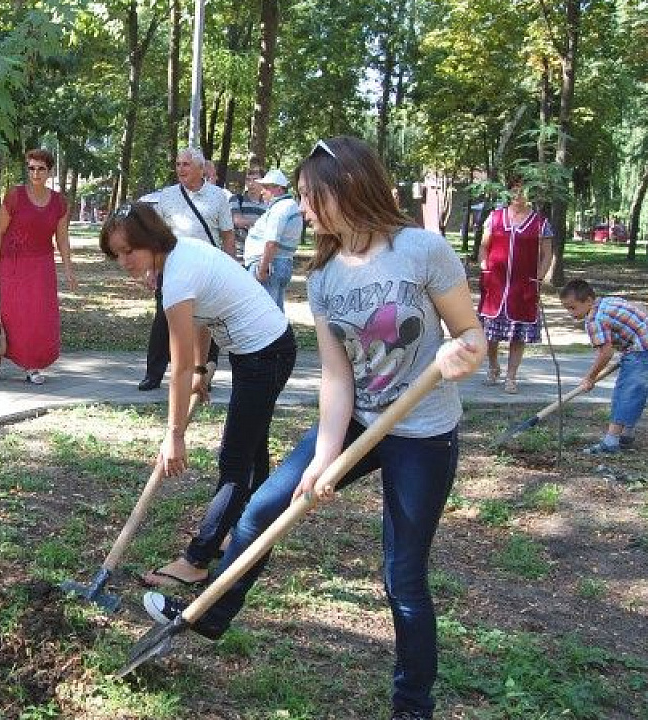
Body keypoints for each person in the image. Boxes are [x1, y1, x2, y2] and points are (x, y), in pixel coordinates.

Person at [143, 136, 484, 720]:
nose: (302, 209)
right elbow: (337, 379)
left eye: (308, 196)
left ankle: (412, 706)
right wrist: (325, 457)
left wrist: (464, 353)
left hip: (423, 433)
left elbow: (472, 334)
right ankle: (209, 614)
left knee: (402, 576)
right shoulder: (324, 278)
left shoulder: (422, 250)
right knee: (263, 509)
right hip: (357, 419)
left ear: (346, 187)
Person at [100, 203, 297, 589]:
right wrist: (205, 370)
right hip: (257, 352)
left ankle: (197, 559)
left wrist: (174, 434)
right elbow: (203, 317)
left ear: (151, 241)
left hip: (264, 354)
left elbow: (180, 364)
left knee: (235, 461)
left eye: (129, 251)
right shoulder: (176, 261)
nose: (124, 261)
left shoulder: (176, 277)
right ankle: (243, 532)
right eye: (117, 254)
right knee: (251, 456)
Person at [137, 147, 237, 391]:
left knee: (208, 320)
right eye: (178, 164)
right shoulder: (168, 196)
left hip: (209, 269)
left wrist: (231, 269)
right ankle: (154, 374)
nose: (180, 169)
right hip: (173, 268)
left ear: (201, 169)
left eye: (186, 165)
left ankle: (202, 374)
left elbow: (228, 236)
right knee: (164, 319)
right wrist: (152, 270)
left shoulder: (218, 197)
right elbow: (156, 237)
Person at [0, 148, 78, 384]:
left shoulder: (58, 202)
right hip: (12, 263)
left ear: (49, 172)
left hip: (41, 266)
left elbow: (62, 238)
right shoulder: (15, 195)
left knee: (37, 316)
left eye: (41, 169)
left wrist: (68, 269)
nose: (35, 173)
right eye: (31, 168)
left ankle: (32, 364)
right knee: (7, 312)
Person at [558, 279, 648, 455]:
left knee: (626, 392)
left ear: (589, 301)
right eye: (567, 308)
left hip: (642, 350)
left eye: (573, 307)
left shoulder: (594, 319)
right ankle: (626, 435)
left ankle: (611, 442)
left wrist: (590, 377)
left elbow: (605, 353)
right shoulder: (606, 301)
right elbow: (638, 305)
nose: (570, 313)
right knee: (635, 392)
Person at [477, 174, 552, 394]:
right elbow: (484, 246)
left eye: (523, 190)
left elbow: (547, 254)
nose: (518, 195)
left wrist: (538, 277)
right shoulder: (495, 217)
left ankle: (511, 376)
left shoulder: (540, 223)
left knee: (518, 334)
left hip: (523, 287)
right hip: (496, 286)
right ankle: (493, 367)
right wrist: (484, 266)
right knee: (491, 333)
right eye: (514, 189)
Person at [242, 168, 304, 309]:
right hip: (278, 263)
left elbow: (271, 242)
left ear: (278, 189)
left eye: (266, 188)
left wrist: (262, 268)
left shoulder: (280, 209)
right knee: (274, 311)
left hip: (270, 265)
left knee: (263, 313)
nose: (262, 191)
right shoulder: (288, 206)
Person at [231, 168, 267, 261]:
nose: (251, 183)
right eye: (248, 180)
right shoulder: (236, 199)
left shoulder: (268, 203)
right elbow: (238, 221)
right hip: (239, 253)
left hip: (260, 255)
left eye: (255, 180)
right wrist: (264, 223)